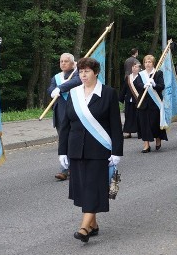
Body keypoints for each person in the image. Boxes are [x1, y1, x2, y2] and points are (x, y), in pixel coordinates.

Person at [57, 56, 123, 243]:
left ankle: (84, 228)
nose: (83, 75)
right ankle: (93, 224)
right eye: (81, 72)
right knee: (82, 188)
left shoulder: (108, 93)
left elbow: (115, 125)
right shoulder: (74, 94)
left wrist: (117, 151)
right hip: (76, 148)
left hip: (99, 149)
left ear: (96, 72)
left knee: (93, 187)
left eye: (87, 71)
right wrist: (62, 150)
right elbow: (66, 125)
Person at [46, 52, 83, 180]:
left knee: (75, 140)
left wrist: (60, 88)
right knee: (63, 141)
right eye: (61, 61)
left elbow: (77, 81)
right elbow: (50, 88)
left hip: (75, 112)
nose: (63, 63)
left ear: (73, 63)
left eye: (66, 61)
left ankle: (76, 167)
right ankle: (65, 169)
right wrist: (53, 91)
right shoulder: (56, 77)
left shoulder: (78, 73)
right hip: (60, 113)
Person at [134, 54, 168, 152]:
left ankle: (158, 138)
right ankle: (146, 145)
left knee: (154, 123)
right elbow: (137, 84)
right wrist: (144, 85)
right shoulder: (141, 74)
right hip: (143, 103)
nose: (147, 64)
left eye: (149, 62)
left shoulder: (158, 73)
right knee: (144, 123)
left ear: (153, 63)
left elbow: (162, 86)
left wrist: (154, 84)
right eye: (146, 62)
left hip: (155, 103)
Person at [119, 56, 140, 139]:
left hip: (137, 100)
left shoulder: (141, 77)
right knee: (128, 116)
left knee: (137, 116)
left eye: (136, 67)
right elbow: (124, 88)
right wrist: (120, 98)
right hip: (128, 99)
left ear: (139, 68)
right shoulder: (128, 77)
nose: (134, 68)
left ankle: (140, 131)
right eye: (133, 67)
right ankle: (128, 132)